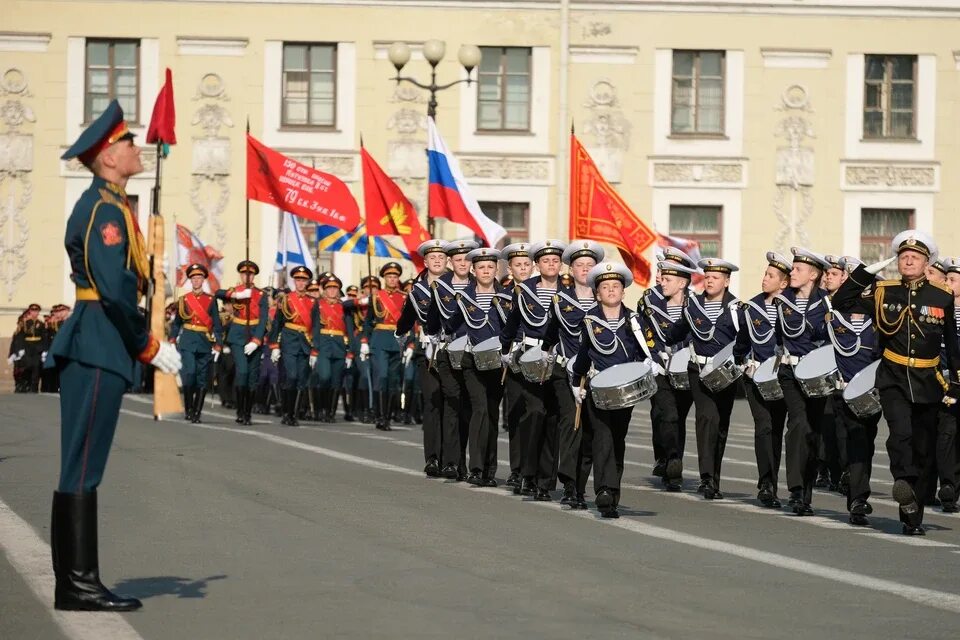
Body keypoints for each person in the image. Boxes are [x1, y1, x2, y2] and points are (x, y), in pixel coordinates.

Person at [49, 99, 181, 610]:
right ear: (107, 157)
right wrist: (149, 346)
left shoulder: (113, 203)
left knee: (81, 464)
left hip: (98, 340)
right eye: (127, 143)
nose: (135, 148)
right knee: (83, 466)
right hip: (98, 341)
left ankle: (76, 580)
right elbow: (112, 287)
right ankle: (79, 584)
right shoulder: (105, 209)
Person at [832, 231, 959, 535]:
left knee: (924, 448)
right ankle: (903, 484)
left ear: (927, 262)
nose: (908, 260)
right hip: (893, 378)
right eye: (903, 257)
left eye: (914, 257)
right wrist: (866, 272)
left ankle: (913, 509)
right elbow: (841, 299)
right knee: (899, 434)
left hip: (929, 379)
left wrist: (956, 380)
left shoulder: (941, 296)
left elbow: (951, 341)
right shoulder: (883, 292)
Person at [571, 262, 647, 518]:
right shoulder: (590, 320)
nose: (612, 290)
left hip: (625, 391)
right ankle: (604, 490)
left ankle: (613, 495)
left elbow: (647, 348)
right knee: (602, 436)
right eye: (606, 287)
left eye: (616, 286)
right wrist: (575, 383)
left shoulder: (635, 320)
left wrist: (651, 363)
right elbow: (583, 354)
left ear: (623, 292)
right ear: (597, 293)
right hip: (598, 389)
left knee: (617, 439)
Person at [661, 258, 741, 500]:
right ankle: (706, 479)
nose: (709, 281)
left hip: (726, 372)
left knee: (721, 425)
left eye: (715, 277)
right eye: (707, 276)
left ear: (726, 281)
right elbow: (678, 331)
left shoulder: (737, 308)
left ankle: (714, 478)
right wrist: (666, 342)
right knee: (706, 418)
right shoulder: (693, 306)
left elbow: (746, 338)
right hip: (698, 370)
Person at [500, 239, 568, 500]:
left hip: (557, 360)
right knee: (534, 413)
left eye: (555, 260)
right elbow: (513, 322)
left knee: (552, 417)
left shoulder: (568, 293)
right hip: (528, 358)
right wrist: (506, 350)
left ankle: (545, 481)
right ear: (537, 265)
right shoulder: (524, 291)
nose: (550, 264)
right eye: (545, 261)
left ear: (560, 265)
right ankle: (526, 473)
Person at [542, 240, 604, 508]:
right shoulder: (560, 300)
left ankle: (580, 486)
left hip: (597, 375)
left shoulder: (605, 300)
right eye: (580, 265)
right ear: (572, 269)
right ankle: (568, 483)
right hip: (565, 372)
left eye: (590, 265)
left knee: (590, 432)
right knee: (571, 424)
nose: (584, 269)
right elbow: (549, 333)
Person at [822, 255, 881, 525]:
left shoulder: (879, 316)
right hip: (841, 391)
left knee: (864, 443)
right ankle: (852, 488)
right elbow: (841, 299)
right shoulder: (839, 311)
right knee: (847, 441)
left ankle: (857, 494)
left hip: (870, 392)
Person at [771, 248, 831, 516]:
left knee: (814, 431)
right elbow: (776, 338)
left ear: (813, 275)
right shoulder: (782, 301)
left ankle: (806, 494)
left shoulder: (827, 303)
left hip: (817, 374)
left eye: (797, 269)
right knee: (798, 424)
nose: (791, 272)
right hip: (790, 372)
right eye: (792, 268)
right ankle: (795, 490)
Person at [448, 247, 511, 486]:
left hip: (498, 363)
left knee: (492, 413)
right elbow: (452, 323)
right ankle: (475, 467)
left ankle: (488, 469)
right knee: (480, 408)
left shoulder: (507, 297)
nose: (486, 271)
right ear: (473, 270)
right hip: (472, 361)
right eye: (481, 267)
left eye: (490, 267)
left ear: (496, 269)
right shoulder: (464, 297)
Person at [637, 247, 696, 492]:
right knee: (663, 413)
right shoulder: (649, 301)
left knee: (676, 417)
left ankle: (671, 460)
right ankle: (671, 461)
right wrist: (648, 358)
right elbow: (640, 331)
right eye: (662, 273)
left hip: (685, 370)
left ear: (682, 281)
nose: (661, 279)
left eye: (667, 276)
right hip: (659, 368)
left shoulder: (696, 304)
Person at [734, 252, 790, 508]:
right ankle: (766, 484)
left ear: (784, 283)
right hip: (756, 378)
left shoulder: (793, 308)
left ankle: (779, 481)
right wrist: (742, 361)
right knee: (764, 426)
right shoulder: (751, 308)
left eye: (770, 276)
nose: (764, 279)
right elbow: (742, 343)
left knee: (778, 430)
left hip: (785, 379)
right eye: (765, 274)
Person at [396, 239, 449, 477]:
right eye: (432, 258)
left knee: (451, 404)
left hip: (451, 351)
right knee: (432, 403)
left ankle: (451, 458)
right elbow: (407, 317)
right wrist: (401, 334)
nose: (437, 261)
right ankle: (433, 458)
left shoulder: (456, 285)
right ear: (425, 262)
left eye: (441, 257)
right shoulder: (417, 290)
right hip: (426, 350)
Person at [427, 240, 478, 479]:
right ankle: (449, 462)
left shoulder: (481, 286)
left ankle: (461, 462)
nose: (463, 264)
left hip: (473, 355)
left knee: (467, 408)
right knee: (452, 403)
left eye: (467, 260)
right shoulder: (440, 287)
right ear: (451, 262)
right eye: (458, 260)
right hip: (448, 353)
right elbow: (432, 322)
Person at [170, 263, 224, 424]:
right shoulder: (184, 300)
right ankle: (189, 409)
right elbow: (177, 323)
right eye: (193, 278)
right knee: (190, 373)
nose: (196, 280)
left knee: (202, 378)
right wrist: (172, 338)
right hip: (187, 341)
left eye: (199, 278)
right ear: (190, 280)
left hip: (204, 342)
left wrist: (218, 344)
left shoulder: (210, 300)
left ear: (203, 280)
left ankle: (197, 413)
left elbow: (216, 323)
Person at [216, 260, 269, 425]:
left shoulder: (261, 295)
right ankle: (239, 410)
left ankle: (247, 412)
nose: (247, 276)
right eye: (244, 273)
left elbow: (263, 320)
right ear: (240, 274)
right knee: (243, 372)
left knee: (252, 376)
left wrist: (256, 340)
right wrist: (236, 296)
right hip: (238, 336)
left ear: (254, 276)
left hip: (254, 336)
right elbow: (218, 293)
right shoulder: (235, 291)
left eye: (250, 274)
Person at [268, 266, 322, 426]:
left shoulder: (313, 302)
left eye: (303, 280)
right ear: (294, 281)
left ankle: (294, 414)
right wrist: (274, 345)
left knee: (301, 380)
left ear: (307, 282)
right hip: (289, 341)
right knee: (290, 376)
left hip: (305, 343)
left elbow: (317, 327)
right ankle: (286, 412)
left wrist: (315, 350)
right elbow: (277, 323)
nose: (300, 283)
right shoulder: (286, 299)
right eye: (298, 280)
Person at [499, 243, 533, 490]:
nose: (523, 268)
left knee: (536, 413)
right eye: (517, 265)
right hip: (512, 356)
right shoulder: (503, 294)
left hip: (537, 356)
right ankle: (516, 469)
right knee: (515, 412)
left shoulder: (540, 291)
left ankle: (532, 469)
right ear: (509, 268)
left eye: (526, 264)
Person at [362, 262, 408, 431]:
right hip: (379, 341)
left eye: (395, 277)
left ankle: (387, 417)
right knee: (382, 377)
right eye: (389, 276)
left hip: (397, 342)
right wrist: (364, 342)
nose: (392, 279)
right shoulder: (376, 297)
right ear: (384, 278)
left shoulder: (404, 297)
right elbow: (368, 322)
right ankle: (380, 416)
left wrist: (409, 343)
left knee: (393, 381)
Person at [314, 273, 353, 422]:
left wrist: (351, 351)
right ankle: (322, 407)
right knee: (324, 377)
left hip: (339, 345)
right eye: (329, 288)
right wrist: (314, 347)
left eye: (335, 288)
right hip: (323, 344)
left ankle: (330, 411)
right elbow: (315, 326)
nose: (332, 291)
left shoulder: (343, 307)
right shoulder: (318, 305)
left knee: (336, 381)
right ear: (324, 290)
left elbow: (349, 329)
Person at [18, 303, 46, 392]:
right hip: (27, 347)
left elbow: (44, 337)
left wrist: (43, 349)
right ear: (30, 311)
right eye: (33, 311)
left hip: (37, 348)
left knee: (36, 368)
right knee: (27, 366)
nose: (35, 313)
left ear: (38, 312)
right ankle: (27, 384)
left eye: (36, 311)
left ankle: (34, 387)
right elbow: (21, 337)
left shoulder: (41, 324)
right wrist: (21, 348)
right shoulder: (25, 323)